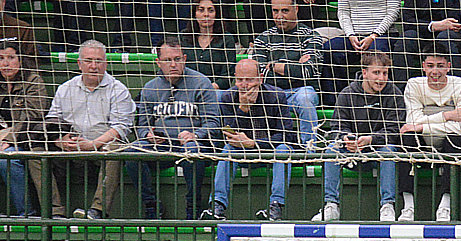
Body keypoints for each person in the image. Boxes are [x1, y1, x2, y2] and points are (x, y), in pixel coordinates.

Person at [313, 51, 415, 222]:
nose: (381, 78)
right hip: (351, 152)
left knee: (389, 151)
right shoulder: (347, 93)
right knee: (331, 150)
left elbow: (394, 130)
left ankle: (387, 205)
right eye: (376, 73)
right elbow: (336, 127)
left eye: (385, 73)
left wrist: (371, 140)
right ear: (364, 72)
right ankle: (331, 205)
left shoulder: (394, 94)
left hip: (377, 150)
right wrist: (346, 138)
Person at [0, 40, 60, 218]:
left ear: (20, 59)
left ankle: (26, 212)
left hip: (23, 139)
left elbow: (33, 116)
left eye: (10, 58)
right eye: (1, 58)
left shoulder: (33, 82)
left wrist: (7, 141)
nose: (5, 63)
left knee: (6, 159)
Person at [125, 39, 218, 220]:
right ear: (158, 62)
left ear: (185, 59)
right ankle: (151, 205)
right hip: (161, 145)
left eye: (177, 59)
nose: (173, 64)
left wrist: (195, 135)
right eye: (168, 60)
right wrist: (148, 135)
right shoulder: (150, 88)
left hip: (193, 145)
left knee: (192, 151)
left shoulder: (201, 83)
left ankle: (193, 208)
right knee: (131, 153)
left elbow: (213, 123)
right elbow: (142, 125)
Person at [44, 40, 136, 220]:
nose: (94, 66)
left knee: (115, 148)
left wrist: (93, 144)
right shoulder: (65, 89)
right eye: (88, 60)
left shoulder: (118, 90)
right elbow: (51, 121)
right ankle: (54, 211)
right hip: (69, 149)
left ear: (106, 63)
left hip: (100, 148)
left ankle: (98, 210)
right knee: (36, 152)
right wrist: (60, 140)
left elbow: (121, 127)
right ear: (79, 64)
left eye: (98, 61)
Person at [204, 58, 297, 221]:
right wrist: (243, 109)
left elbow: (286, 135)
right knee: (227, 150)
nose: (245, 85)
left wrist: (254, 143)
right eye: (240, 80)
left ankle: (275, 207)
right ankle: (217, 206)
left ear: (260, 78)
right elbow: (226, 135)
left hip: (270, 152)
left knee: (284, 150)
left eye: (249, 80)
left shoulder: (276, 96)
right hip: (242, 153)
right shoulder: (228, 97)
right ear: (235, 79)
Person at [400, 46, 461, 221]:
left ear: (448, 66)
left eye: (440, 66)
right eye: (430, 66)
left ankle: (445, 206)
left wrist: (423, 126)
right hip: (423, 145)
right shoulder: (414, 84)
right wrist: (447, 115)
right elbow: (412, 121)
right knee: (407, 137)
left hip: (452, 146)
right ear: (423, 67)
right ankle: (408, 206)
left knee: (455, 139)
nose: (435, 71)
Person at [251, 0, 323, 147]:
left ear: (296, 9)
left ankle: (309, 149)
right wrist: (295, 66)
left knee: (305, 97)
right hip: (271, 94)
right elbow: (261, 76)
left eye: (285, 11)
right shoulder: (262, 39)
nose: (279, 16)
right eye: (275, 11)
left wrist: (273, 66)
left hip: (299, 92)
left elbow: (307, 72)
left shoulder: (311, 36)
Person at [322, 0, 400, 101]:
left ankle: (381, 101)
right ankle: (337, 101)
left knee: (377, 53)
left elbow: (393, 12)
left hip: (383, 35)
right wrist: (350, 34)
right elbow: (343, 12)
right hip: (353, 35)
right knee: (329, 49)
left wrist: (374, 35)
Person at [403, 0, 461, 75]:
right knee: (407, 37)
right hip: (423, 35)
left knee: (445, 37)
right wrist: (432, 26)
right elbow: (407, 21)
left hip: (455, 36)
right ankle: (401, 82)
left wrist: (442, 25)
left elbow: (456, 20)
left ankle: (453, 81)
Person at [183, 0, 240, 93]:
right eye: (201, 10)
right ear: (194, 14)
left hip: (216, 92)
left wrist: (207, 89)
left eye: (211, 10)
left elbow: (227, 76)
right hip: (187, 91)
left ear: (217, 14)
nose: (206, 14)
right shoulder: (183, 37)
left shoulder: (227, 39)